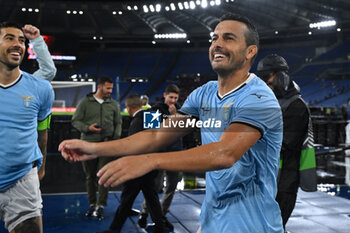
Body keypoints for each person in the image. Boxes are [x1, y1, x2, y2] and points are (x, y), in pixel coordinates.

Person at [60, 13, 284, 233]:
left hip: (254, 225)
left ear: (250, 51)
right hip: (213, 221)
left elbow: (225, 154)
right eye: (214, 38)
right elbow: (156, 135)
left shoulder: (259, 98)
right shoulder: (203, 94)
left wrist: (151, 161)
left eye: (228, 38)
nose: (217, 44)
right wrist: (94, 148)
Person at [0, 22, 54, 233]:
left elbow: (43, 132)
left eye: (22, 41)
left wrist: (41, 168)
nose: (18, 45)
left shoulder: (41, 88)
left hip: (22, 179)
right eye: (10, 38)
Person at [96, 94, 166, 233]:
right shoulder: (150, 115)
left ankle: (114, 229)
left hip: (139, 167)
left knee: (128, 198)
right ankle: (160, 226)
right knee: (151, 197)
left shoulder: (137, 120)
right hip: (151, 165)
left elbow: (134, 147)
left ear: (128, 108)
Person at [256, 54, 310, 230]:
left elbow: (284, 144)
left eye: (267, 77)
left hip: (284, 180)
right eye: (261, 78)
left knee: (274, 226)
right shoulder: (270, 102)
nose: (264, 82)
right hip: (266, 178)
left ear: (281, 76)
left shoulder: (297, 106)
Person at [71, 76, 122, 219]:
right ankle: (92, 203)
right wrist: (88, 128)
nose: (110, 91)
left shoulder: (113, 104)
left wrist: (115, 138)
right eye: (108, 88)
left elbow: (118, 123)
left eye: (111, 88)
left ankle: (101, 205)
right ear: (99, 87)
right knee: (90, 176)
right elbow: (75, 121)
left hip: (107, 145)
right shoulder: (85, 103)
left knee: (104, 176)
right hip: (88, 144)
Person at [138, 84, 182, 231]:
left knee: (172, 186)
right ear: (165, 95)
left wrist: (176, 115)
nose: (173, 100)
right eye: (171, 97)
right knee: (155, 187)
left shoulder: (180, 110)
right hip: (160, 154)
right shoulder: (154, 110)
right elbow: (151, 132)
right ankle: (144, 213)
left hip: (175, 154)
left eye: (175, 98)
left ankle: (162, 215)